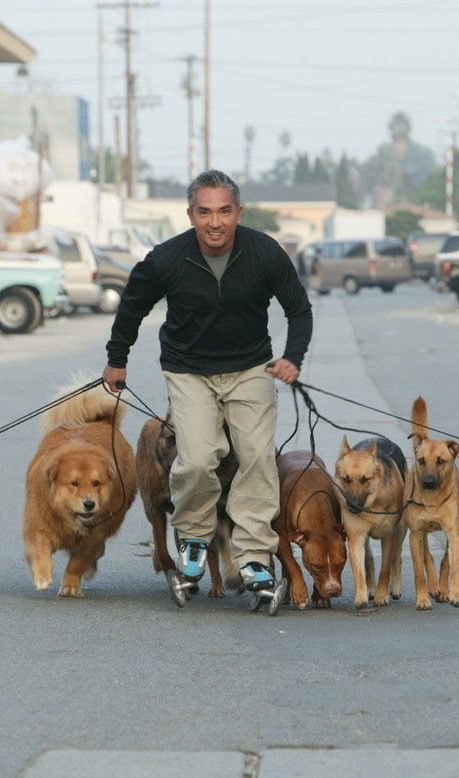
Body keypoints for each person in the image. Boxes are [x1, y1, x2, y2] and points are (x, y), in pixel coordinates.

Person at [102, 169, 313, 598]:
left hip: (251, 368)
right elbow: (132, 307)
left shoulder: (264, 253)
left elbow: (299, 309)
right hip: (188, 370)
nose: (214, 222)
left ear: (238, 212)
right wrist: (116, 360)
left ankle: (253, 554)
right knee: (198, 459)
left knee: (256, 457)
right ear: (190, 214)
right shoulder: (166, 258)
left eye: (223, 212)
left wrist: (293, 357)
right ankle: (195, 539)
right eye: (204, 213)